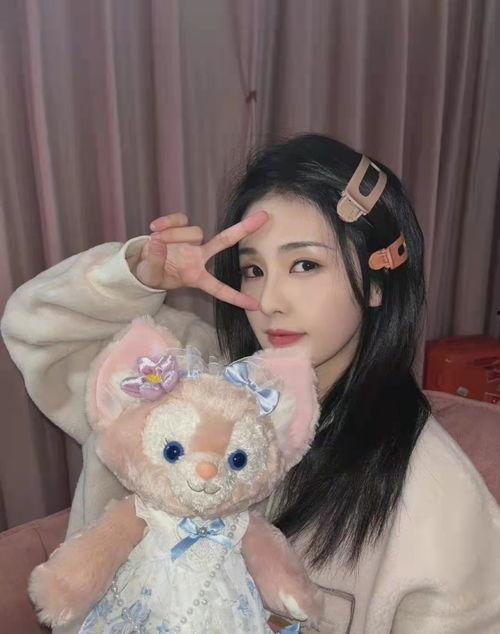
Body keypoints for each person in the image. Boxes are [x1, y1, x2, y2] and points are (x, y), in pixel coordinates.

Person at [2, 133, 500, 633]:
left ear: (376, 283)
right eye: (254, 269)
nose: (270, 301)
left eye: (305, 264)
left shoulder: (433, 490)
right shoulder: (188, 376)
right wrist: (136, 278)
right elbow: (35, 331)